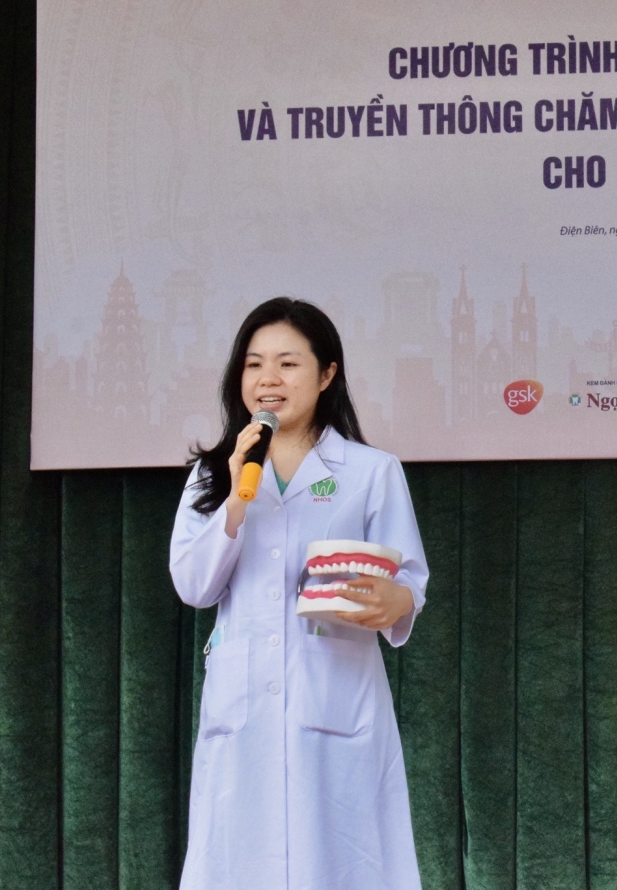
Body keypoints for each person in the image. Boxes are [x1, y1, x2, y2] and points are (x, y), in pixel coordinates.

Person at [170, 298, 428, 889]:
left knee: (341, 861)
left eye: (288, 364)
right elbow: (193, 585)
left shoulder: (371, 470)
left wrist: (398, 602)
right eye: (254, 364)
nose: (268, 379)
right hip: (243, 708)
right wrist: (237, 498)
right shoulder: (215, 473)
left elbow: (409, 580)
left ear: (327, 374)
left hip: (335, 697)